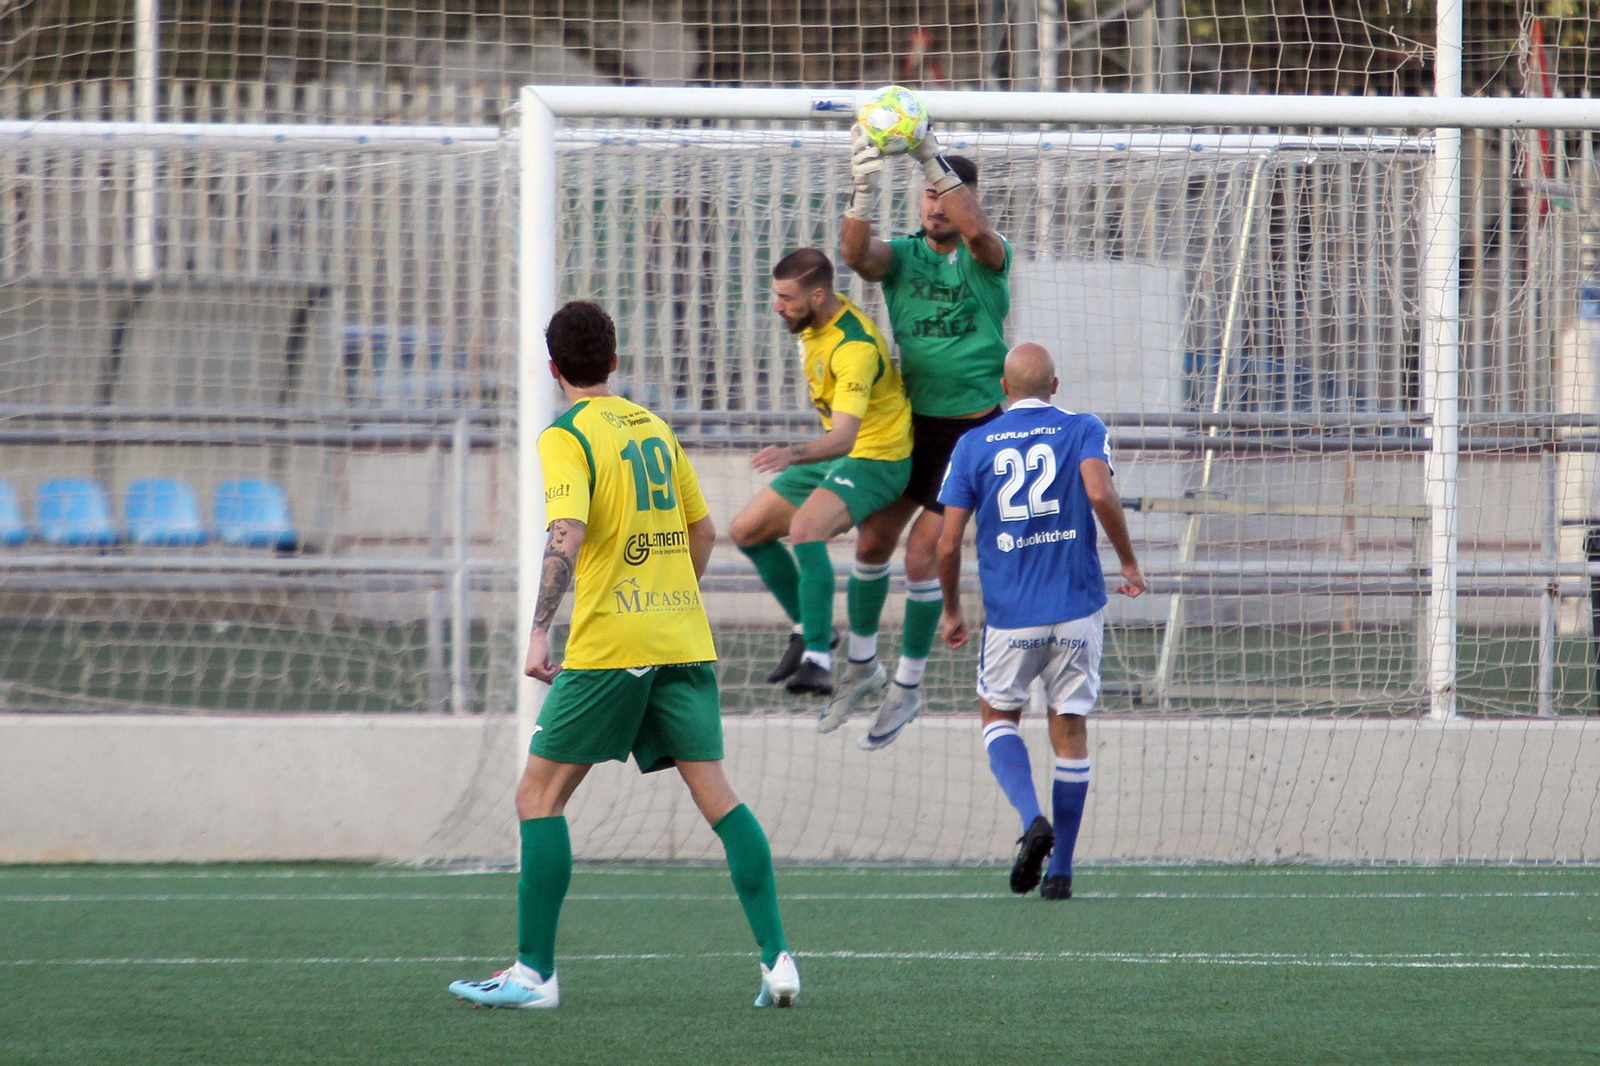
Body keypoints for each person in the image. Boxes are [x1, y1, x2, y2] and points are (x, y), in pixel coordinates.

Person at [449, 301, 798, 1009]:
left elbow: (567, 527)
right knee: (720, 799)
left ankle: (534, 975)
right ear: (614, 360)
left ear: (554, 370)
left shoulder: (566, 434)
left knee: (537, 797)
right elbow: (702, 532)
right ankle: (778, 961)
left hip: (614, 645)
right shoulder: (656, 427)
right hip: (682, 639)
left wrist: (541, 627)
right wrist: (670, 594)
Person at [935, 343, 1147, 899]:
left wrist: (953, 609)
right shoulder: (1082, 426)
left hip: (1012, 616)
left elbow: (948, 540)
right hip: (1077, 609)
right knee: (1070, 730)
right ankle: (1063, 872)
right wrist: (1127, 560)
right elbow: (1099, 490)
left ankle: (1032, 820)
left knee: (997, 716)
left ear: (1002, 389)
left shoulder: (973, 443)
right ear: (1055, 386)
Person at [836, 122, 1012, 749]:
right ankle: (862, 667)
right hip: (914, 427)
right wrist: (863, 187)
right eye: (928, 195)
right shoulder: (904, 256)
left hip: (974, 436)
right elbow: (856, 256)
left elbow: (982, 236)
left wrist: (929, 154)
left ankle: (909, 687)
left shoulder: (988, 257)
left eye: (946, 194)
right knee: (872, 542)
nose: (935, 206)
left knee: (922, 553)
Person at [731, 248, 913, 699]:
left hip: (878, 457)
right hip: (839, 453)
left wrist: (792, 453)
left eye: (785, 297)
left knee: (805, 529)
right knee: (746, 530)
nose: (777, 305)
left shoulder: (854, 347)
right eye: (775, 295)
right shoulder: (809, 324)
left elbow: (847, 437)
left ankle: (817, 658)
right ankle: (811, 626)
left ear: (817, 294)